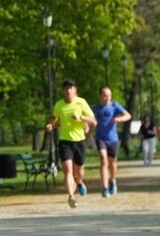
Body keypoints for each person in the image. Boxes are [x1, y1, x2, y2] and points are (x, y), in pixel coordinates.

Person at [45, 79, 97, 209]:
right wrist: (50, 125)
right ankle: (71, 196)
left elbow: (94, 121)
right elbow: (55, 120)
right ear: (63, 91)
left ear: (75, 90)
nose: (68, 90)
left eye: (71, 88)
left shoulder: (81, 102)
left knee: (78, 171)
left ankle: (79, 182)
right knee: (68, 170)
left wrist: (81, 118)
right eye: (66, 88)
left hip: (79, 141)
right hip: (65, 142)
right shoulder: (59, 105)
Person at [91, 86, 131, 198]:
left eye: (108, 95)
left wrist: (119, 119)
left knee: (112, 162)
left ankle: (112, 180)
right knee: (103, 160)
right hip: (100, 138)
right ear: (100, 96)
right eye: (104, 95)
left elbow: (128, 115)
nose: (106, 98)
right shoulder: (95, 108)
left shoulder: (115, 106)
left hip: (113, 139)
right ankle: (105, 188)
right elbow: (90, 120)